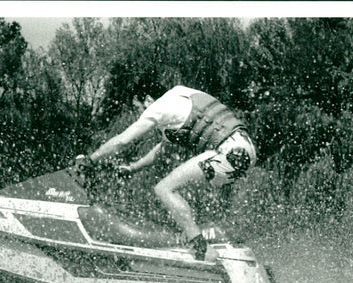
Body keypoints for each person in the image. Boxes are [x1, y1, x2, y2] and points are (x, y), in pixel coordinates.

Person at [75, 83, 255, 262]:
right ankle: (206, 239)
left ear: (146, 99)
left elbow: (122, 141)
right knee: (177, 188)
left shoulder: (159, 107)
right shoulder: (182, 95)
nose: (140, 113)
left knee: (164, 189)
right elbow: (162, 150)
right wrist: (132, 168)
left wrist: (90, 160)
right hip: (243, 149)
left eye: (138, 107)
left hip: (230, 152)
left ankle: (203, 250)